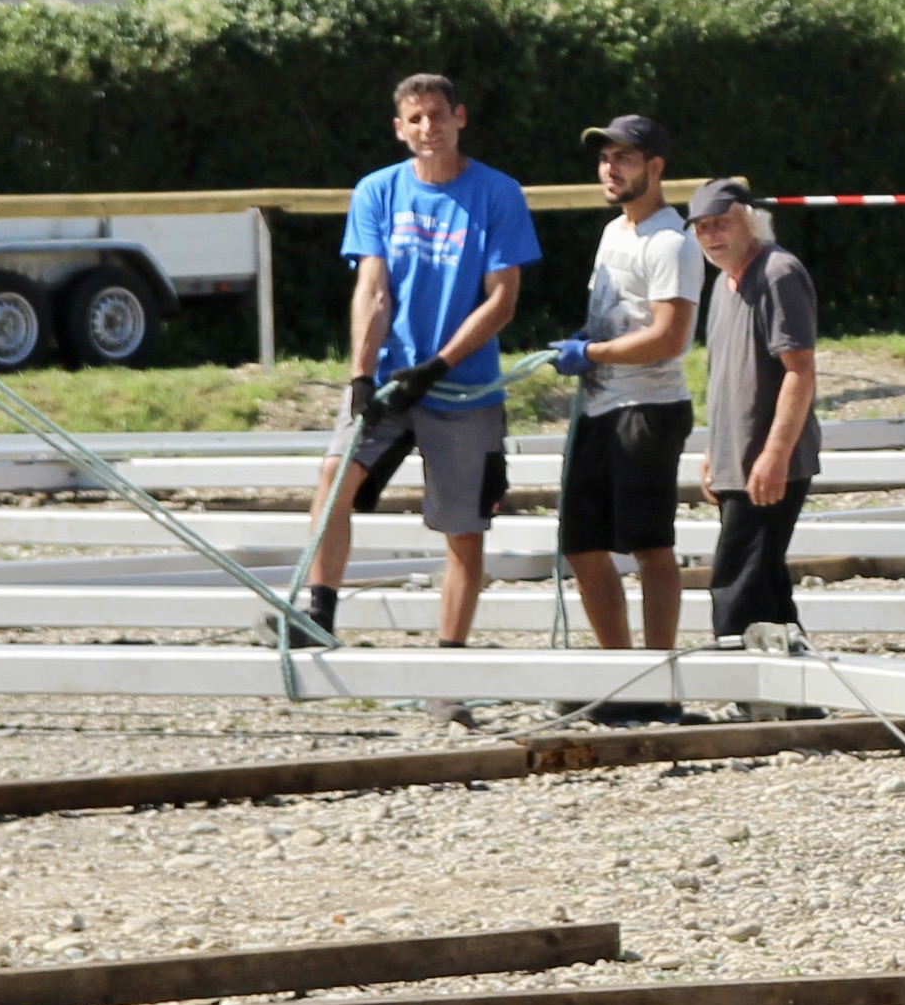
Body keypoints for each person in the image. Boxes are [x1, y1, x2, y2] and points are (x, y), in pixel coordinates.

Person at [295, 71, 540, 649]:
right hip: (388, 378)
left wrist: (437, 367)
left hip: (464, 386)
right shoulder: (377, 191)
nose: (429, 127)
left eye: (438, 115)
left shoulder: (498, 193)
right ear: (400, 129)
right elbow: (372, 290)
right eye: (416, 118)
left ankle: (449, 658)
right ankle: (317, 618)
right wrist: (361, 374)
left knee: (463, 530)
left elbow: (502, 301)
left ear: (460, 117)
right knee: (334, 479)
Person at [543, 113, 707, 690]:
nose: (610, 168)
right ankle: (621, 678)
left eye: (624, 158)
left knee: (650, 546)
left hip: (648, 411)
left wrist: (593, 352)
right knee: (582, 547)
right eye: (605, 157)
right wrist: (590, 344)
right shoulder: (614, 232)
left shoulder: (671, 241)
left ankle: (658, 680)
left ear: (655, 167)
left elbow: (669, 337)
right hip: (598, 408)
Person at [685, 179, 824, 654]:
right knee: (765, 584)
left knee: (736, 584)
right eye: (702, 227)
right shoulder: (723, 283)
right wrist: (715, 451)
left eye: (720, 223)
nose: (711, 236)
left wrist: (776, 454)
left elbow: (800, 370)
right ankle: (795, 683)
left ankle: (739, 679)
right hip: (736, 460)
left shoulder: (778, 273)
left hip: (769, 462)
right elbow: (726, 377)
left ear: (751, 222)